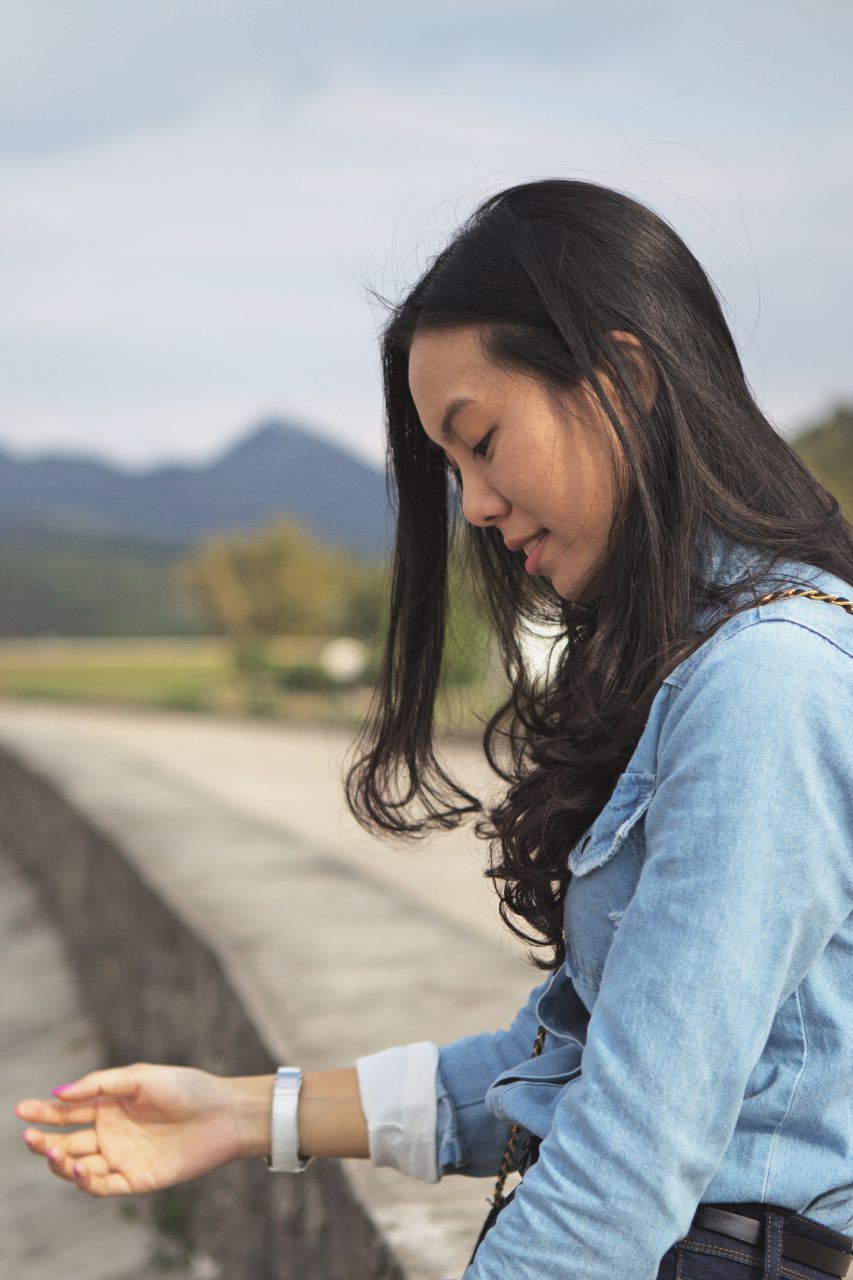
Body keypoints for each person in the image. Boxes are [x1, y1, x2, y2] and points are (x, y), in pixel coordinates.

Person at [15, 179, 853, 1280]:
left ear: (627, 380)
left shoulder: (766, 682)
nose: (476, 505)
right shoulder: (706, 663)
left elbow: (630, 1155)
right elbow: (558, 1066)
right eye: (452, 469)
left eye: (483, 441)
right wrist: (240, 1113)